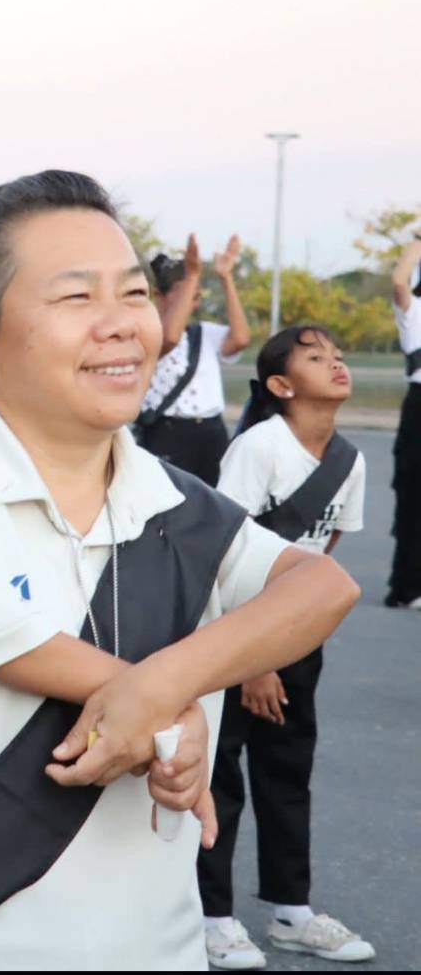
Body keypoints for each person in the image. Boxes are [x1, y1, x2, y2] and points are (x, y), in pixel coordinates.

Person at [0, 171, 358, 969]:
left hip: (158, 946)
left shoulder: (176, 500)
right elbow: (16, 646)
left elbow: (325, 585)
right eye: (77, 299)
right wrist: (176, 716)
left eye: (135, 293)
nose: (120, 326)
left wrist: (161, 688)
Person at [197, 326, 374, 968]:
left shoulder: (348, 459)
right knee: (220, 777)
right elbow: (221, 549)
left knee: (287, 771)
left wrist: (293, 633)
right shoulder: (260, 447)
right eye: (316, 357)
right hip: (233, 632)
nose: (337, 363)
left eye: (339, 354)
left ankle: (291, 912)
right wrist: (256, 656)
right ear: (280, 385)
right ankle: (211, 916)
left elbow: (322, 552)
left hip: (295, 637)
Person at [134, 234, 250, 486]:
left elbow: (240, 339)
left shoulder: (203, 334)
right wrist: (193, 276)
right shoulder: (146, 334)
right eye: (182, 291)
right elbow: (170, 338)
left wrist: (226, 277)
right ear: (158, 295)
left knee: (215, 505)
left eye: (195, 295)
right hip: (167, 432)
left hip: (211, 431)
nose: (191, 301)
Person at [384, 235, 421, 607]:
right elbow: (399, 280)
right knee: (415, 499)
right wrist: (420, 238)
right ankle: (408, 586)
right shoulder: (415, 311)